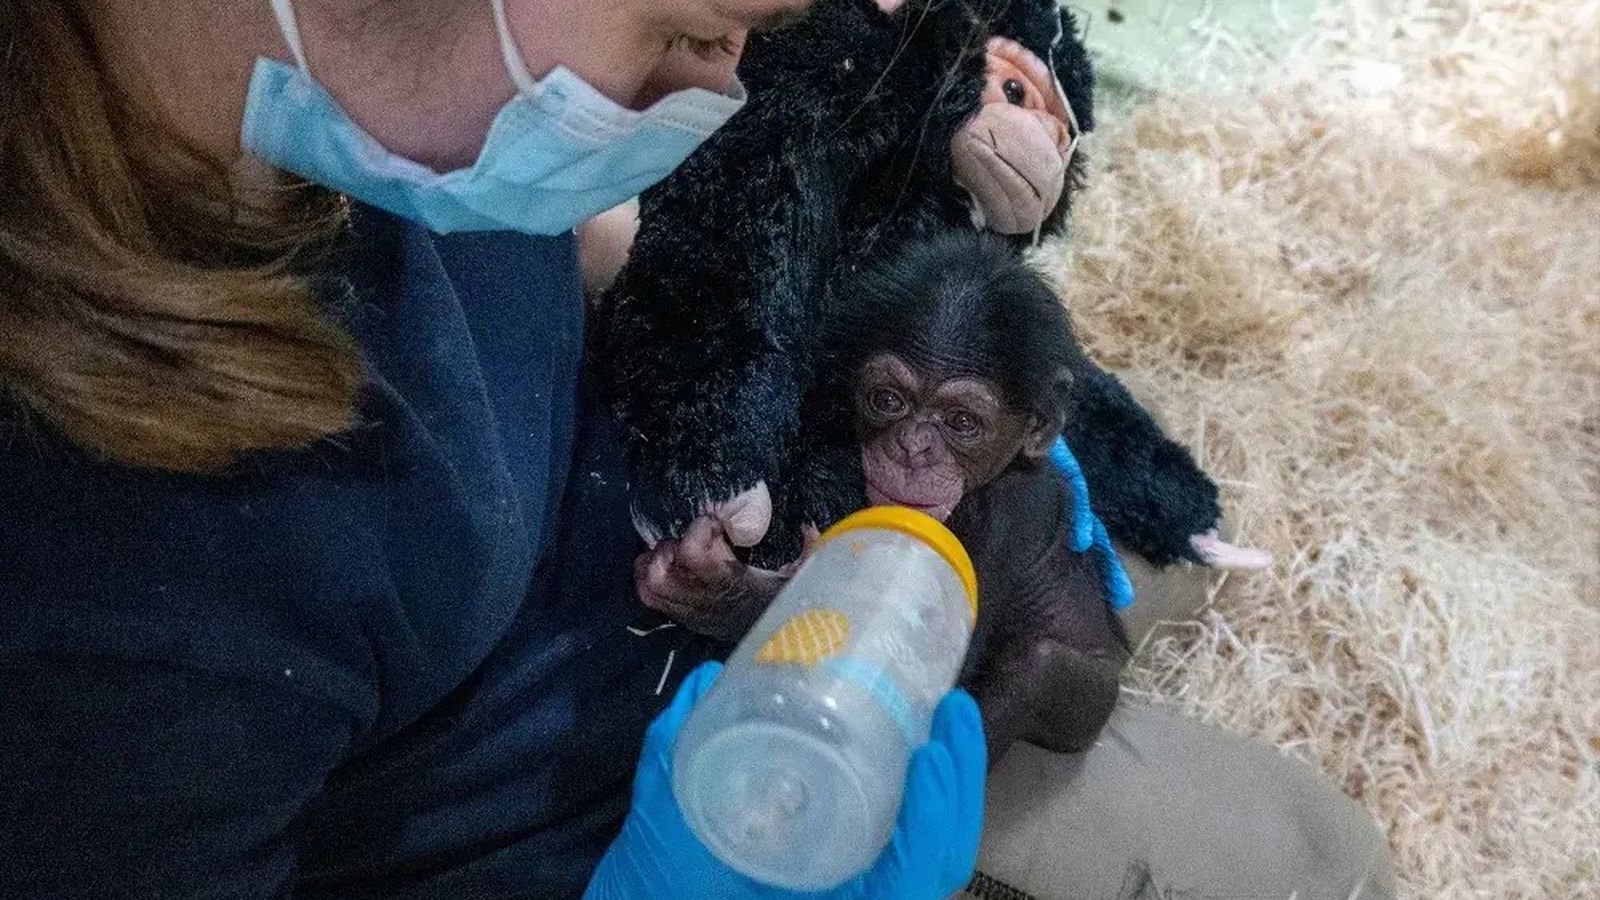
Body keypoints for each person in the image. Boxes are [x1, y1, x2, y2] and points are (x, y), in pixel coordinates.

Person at [0, 1, 1395, 898]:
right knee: (1323, 860)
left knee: (1144, 558)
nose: (716, 93)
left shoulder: (355, 115)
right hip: (639, 815)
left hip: (671, 545)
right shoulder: (117, 612)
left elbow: (598, 243)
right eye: (689, 35)